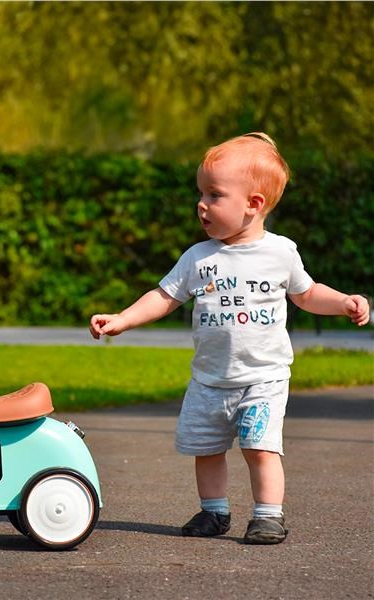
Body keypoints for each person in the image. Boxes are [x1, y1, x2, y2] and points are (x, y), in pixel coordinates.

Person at [89, 132, 370, 544]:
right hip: (209, 380)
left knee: (260, 448)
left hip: (262, 378)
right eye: (201, 193)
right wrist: (123, 319)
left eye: (215, 195)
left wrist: (344, 301)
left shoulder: (279, 253)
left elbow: (307, 293)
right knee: (207, 449)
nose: (201, 204)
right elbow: (164, 296)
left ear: (253, 204)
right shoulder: (198, 257)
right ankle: (214, 511)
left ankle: (268, 515)